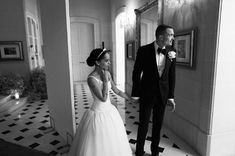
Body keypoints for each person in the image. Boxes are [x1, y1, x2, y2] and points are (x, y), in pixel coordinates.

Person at [68, 48, 134, 156]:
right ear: (98, 62)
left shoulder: (107, 73)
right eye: (106, 60)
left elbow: (116, 90)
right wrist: (104, 80)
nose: (109, 62)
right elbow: (103, 98)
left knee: (112, 139)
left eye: (109, 60)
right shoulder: (91, 79)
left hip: (110, 111)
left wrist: (129, 98)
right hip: (97, 113)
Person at [132, 24, 176, 156]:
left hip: (162, 94)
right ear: (161, 36)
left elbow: (172, 75)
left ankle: (154, 150)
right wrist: (135, 93)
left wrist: (171, 96)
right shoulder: (143, 50)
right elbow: (136, 72)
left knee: (158, 125)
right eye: (171, 35)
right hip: (147, 93)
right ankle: (139, 150)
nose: (173, 38)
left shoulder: (171, 51)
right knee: (143, 124)